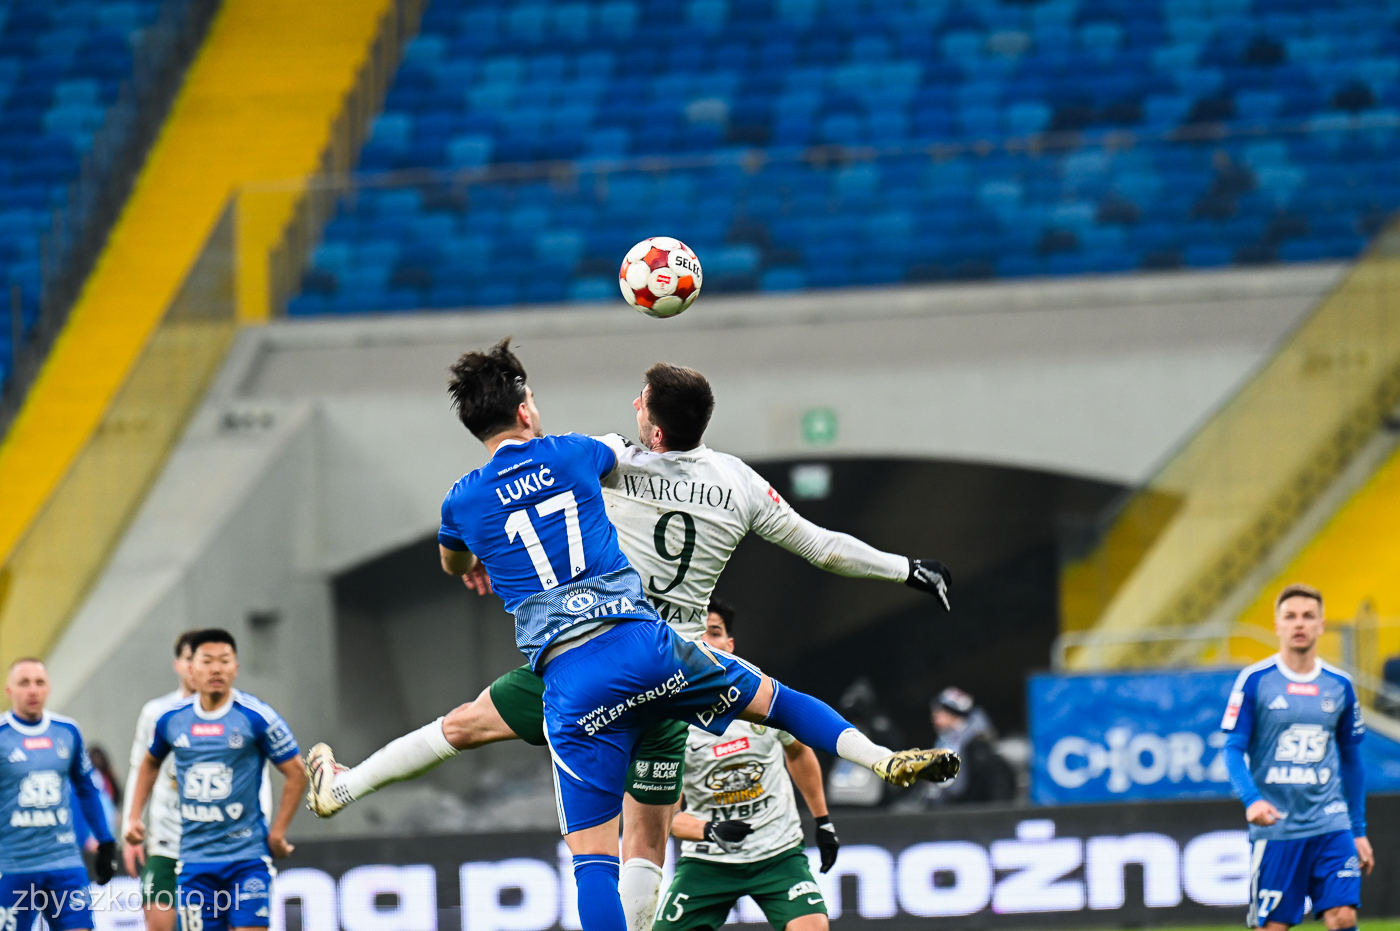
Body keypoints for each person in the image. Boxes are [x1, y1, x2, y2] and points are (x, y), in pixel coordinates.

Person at [306, 339, 957, 931]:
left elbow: (462, 551)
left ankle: (346, 785)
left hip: (571, 674)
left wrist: (475, 558)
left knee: (545, 800)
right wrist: (907, 569)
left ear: (651, 421)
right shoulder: (725, 479)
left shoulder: (587, 465)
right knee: (759, 718)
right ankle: (878, 755)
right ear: (526, 409)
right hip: (667, 657)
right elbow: (824, 548)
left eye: (640, 402)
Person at [656, 599, 839, 931]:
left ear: (730, 644)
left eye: (714, 633)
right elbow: (664, 815)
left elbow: (797, 752)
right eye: (696, 635)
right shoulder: (669, 723)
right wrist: (708, 831)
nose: (706, 642)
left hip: (778, 855)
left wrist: (823, 821)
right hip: (707, 862)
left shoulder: (763, 699)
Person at [124, 630, 307, 931]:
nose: (216, 669)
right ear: (190, 669)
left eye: (224, 661)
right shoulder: (171, 719)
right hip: (195, 860)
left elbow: (296, 772)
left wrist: (277, 833)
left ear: (236, 667)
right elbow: (148, 763)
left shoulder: (257, 717)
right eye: (207, 661)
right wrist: (133, 818)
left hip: (246, 859)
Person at [1221, 583, 1374, 931]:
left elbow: (1351, 760)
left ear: (1321, 625)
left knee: (1344, 915)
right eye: (1290, 617)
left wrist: (1358, 830)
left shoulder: (1340, 685)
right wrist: (1252, 800)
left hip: (1331, 822)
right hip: (1278, 827)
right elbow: (1232, 750)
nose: (1299, 624)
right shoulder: (1255, 680)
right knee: (1272, 927)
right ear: (1277, 626)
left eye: (1308, 616)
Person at [0, 659, 117, 931]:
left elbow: (87, 789)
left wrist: (106, 841)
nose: (32, 690)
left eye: (39, 682)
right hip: (14, 865)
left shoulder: (67, 731)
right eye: (24, 683)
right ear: (9, 690)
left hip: (64, 861)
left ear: (49, 687)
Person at [122, 630, 201, 931]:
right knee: (157, 923)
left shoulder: (237, 714)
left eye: (202, 660)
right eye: (188, 659)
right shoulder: (157, 713)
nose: (195, 667)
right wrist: (131, 826)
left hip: (215, 845)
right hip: (165, 843)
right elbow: (138, 769)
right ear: (177, 664)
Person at [920, 687, 1015, 806]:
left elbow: (988, 785)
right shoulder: (947, 739)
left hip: (973, 810)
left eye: (938, 711)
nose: (934, 717)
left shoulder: (977, 745)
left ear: (951, 712)